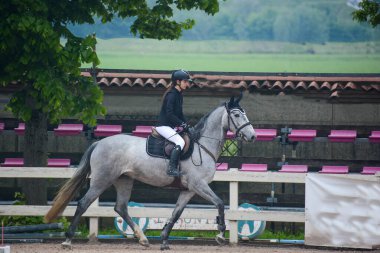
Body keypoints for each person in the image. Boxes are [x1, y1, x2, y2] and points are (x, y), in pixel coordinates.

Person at [156, 69, 192, 177]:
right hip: (164, 126)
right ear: (178, 82)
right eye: (185, 81)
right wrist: (181, 124)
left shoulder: (179, 94)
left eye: (187, 81)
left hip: (171, 127)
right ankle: (171, 168)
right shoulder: (172, 95)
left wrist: (186, 125)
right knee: (180, 142)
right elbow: (169, 114)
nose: (187, 84)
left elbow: (180, 114)